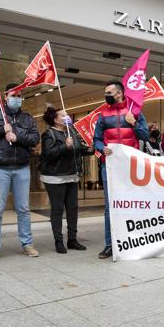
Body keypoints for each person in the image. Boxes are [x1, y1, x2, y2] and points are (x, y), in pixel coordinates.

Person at [0, 83, 40, 262]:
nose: (17, 98)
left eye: (20, 95)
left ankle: (27, 244)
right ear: (5, 96)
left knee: (23, 209)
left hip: (22, 167)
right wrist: (0, 130)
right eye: (14, 95)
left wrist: (17, 137)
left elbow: (35, 138)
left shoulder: (27, 118)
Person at [93, 80, 149, 259]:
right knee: (110, 206)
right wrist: (102, 148)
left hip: (130, 165)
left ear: (119, 93)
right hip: (109, 166)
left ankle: (132, 241)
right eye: (105, 92)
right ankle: (110, 245)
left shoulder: (135, 112)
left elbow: (145, 135)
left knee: (132, 203)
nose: (106, 95)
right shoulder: (102, 114)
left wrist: (134, 123)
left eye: (108, 92)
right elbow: (96, 140)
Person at [40, 106, 95, 253]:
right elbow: (49, 154)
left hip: (72, 176)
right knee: (57, 209)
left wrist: (90, 149)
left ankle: (72, 239)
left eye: (67, 115)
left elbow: (79, 149)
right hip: (55, 177)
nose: (67, 117)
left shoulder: (72, 133)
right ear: (55, 119)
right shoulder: (48, 134)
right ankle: (58, 241)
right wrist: (65, 146)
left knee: (72, 208)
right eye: (63, 115)